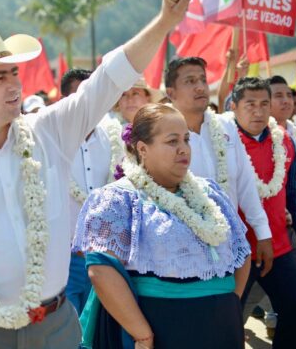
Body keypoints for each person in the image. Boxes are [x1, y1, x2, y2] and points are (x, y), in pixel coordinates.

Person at [0, 0, 192, 349]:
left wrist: (163, 24)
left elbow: (109, 78)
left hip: (53, 327)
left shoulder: (50, 131)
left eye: (13, 73)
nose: (14, 85)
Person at [74, 103, 251, 349]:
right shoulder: (120, 198)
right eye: (172, 141)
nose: (183, 149)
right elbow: (101, 269)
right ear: (143, 149)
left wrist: (229, 302)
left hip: (221, 324)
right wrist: (142, 334)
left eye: (186, 140)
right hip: (161, 325)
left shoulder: (210, 192)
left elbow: (242, 252)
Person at [165, 57, 273, 277]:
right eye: (190, 81)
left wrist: (263, 233)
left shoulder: (225, 127)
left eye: (203, 80)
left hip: (227, 244)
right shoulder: (160, 133)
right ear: (171, 92)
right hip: (181, 252)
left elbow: (245, 183)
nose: (200, 87)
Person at [228, 77, 296, 349]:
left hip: (278, 246)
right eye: (250, 104)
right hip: (237, 251)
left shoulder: (283, 139)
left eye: (264, 103)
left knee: (295, 311)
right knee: (228, 321)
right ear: (234, 107)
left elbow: (295, 188)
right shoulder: (224, 144)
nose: (258, 111)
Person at [59, 68, 125, 315]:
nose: (88, 104)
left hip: (105, 255)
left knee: (100, 330)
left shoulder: (113, 136)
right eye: (80, 96)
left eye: (93, 95)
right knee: (69, 332)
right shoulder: (52, 139)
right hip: (65, 258)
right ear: (65, 100)